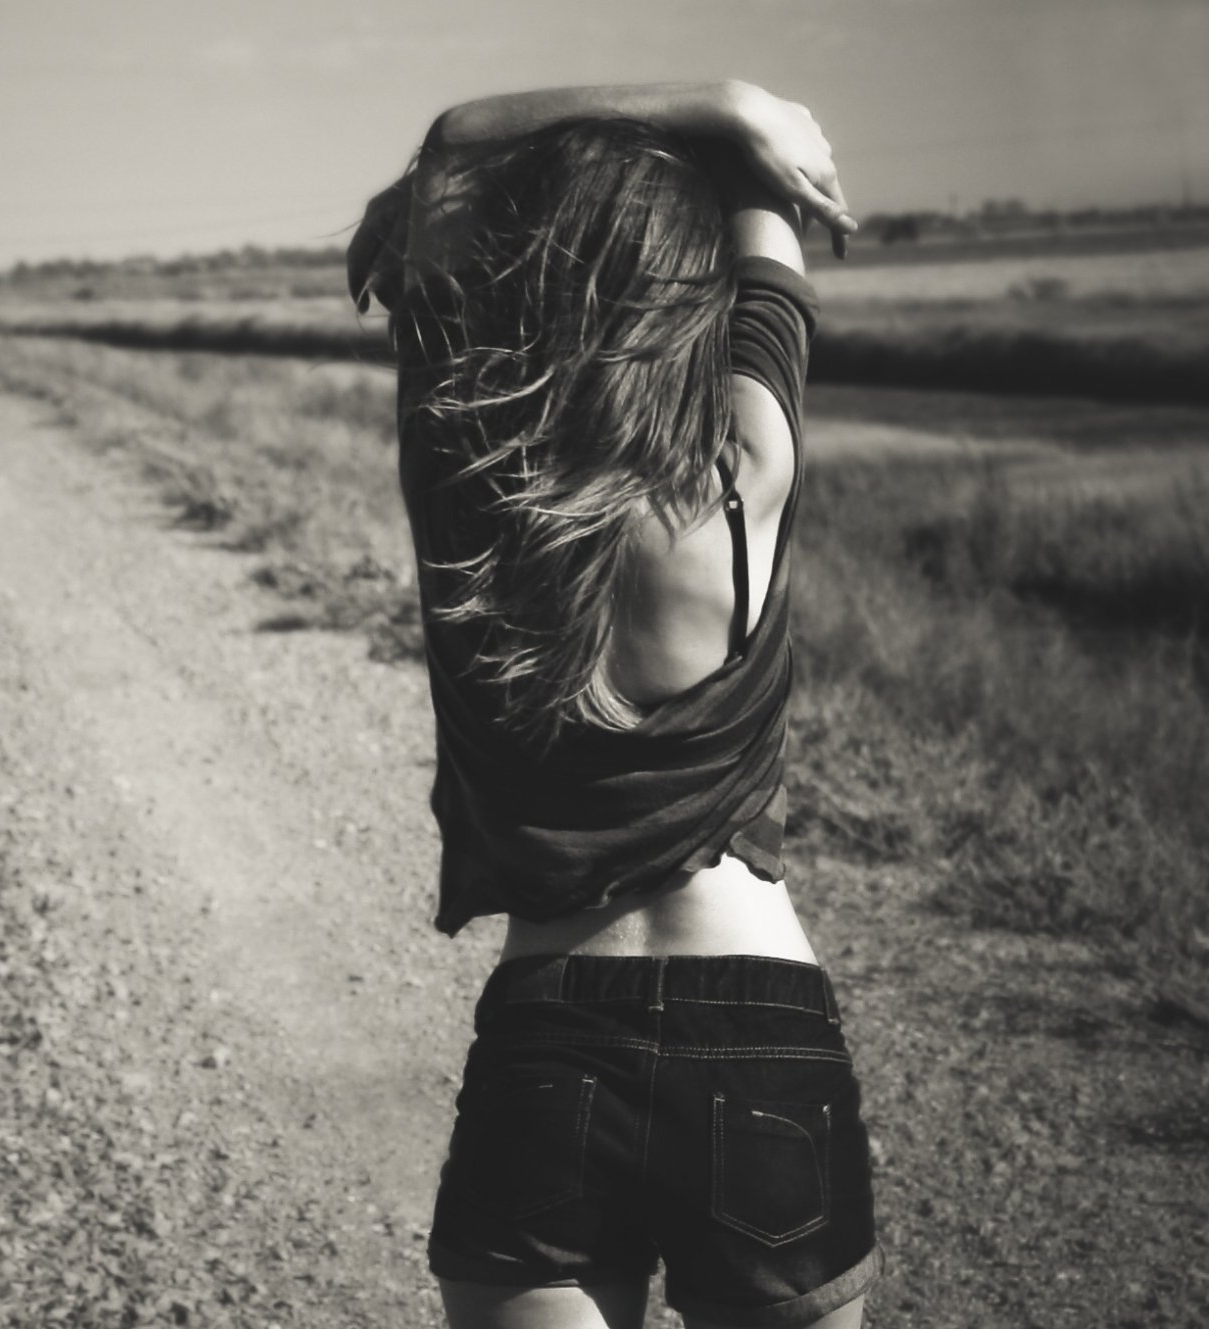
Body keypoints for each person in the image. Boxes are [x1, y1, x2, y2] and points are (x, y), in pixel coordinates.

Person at [347, 81, 878, 1328]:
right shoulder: (748, 473)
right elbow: (772, 185)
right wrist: (737, 110)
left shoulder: (466, 483)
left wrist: (712, 103)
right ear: (691, 300)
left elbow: (450, 144)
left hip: (551, 1032)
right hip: (762, 1029)